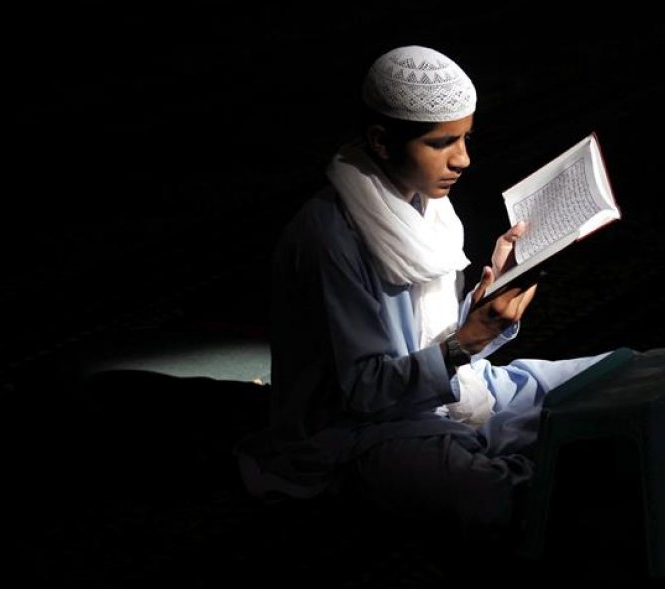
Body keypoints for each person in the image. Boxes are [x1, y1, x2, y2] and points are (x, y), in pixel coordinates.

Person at [238, 45, 617, 539]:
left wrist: (485, 300)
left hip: (449, 393)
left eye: (466, 138)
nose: (463, 159)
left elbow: (432, 337)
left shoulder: (427, 205)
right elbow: (364, 392)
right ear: (380, 140)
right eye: (443, 143)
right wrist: (466, 343)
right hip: (361, 431)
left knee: (614, 379)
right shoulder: (331, 238)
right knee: (483, 493)